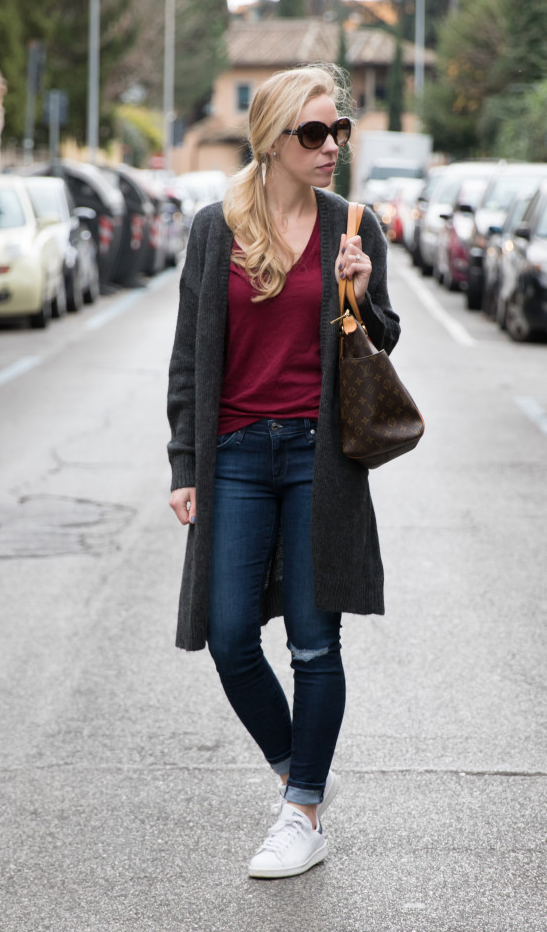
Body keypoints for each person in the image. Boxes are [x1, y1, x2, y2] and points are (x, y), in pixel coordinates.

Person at [166, 63, 400, 879]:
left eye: (338, 129)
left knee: (312, 643)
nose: (330, 145)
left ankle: (301, 810)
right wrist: (183, 462)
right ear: (271, 140)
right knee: (229, 638)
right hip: (232, 454)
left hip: (317, 456)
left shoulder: (352, 227)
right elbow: (190, 356)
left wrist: (362, 295)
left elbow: (383, 341)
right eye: (313, 132)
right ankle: (296, 770)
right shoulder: (214, 227)